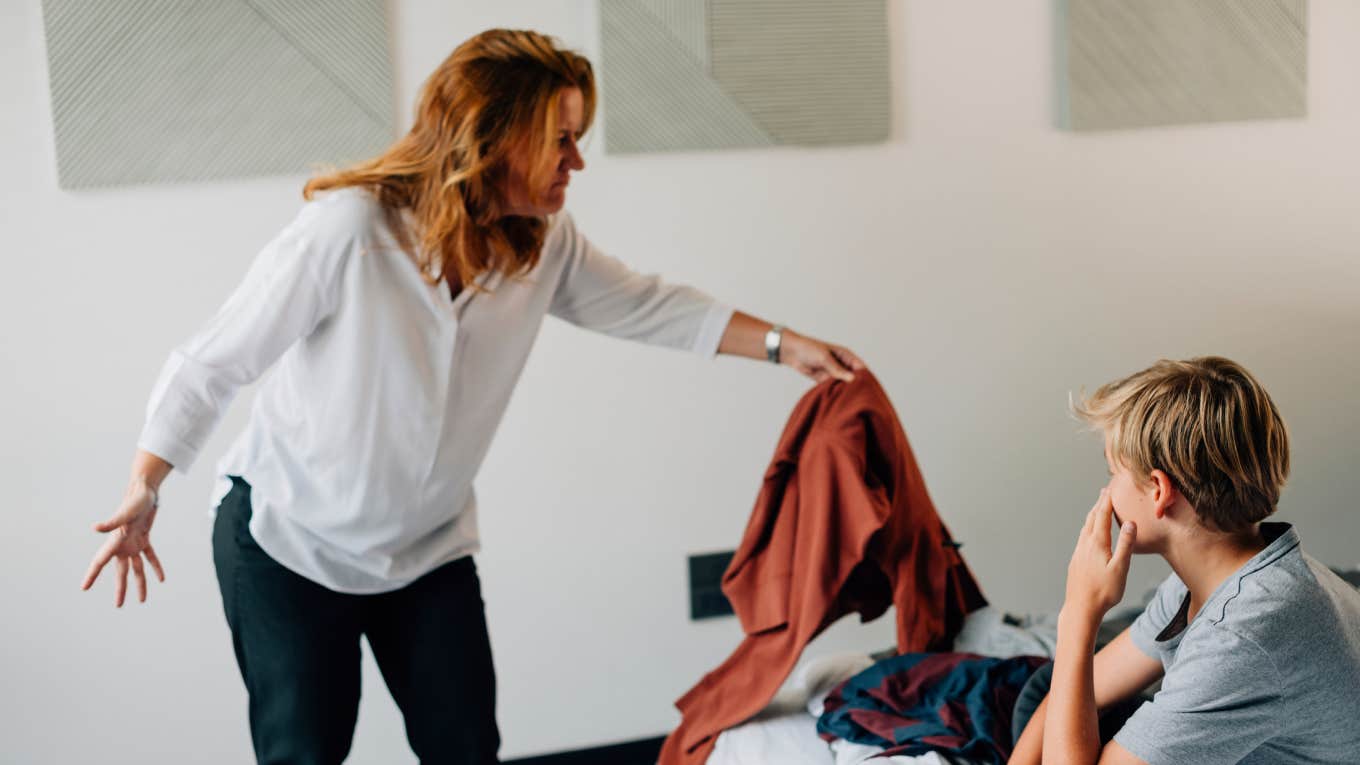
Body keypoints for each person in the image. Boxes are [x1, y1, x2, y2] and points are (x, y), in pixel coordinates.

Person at [79, 29, 864, 765]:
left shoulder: (541, 244)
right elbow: (213, 359)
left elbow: (646, 304)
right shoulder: (351, 232)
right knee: (306, 752)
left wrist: (783, 343)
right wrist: (146, 484)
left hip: (425, 550)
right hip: (291, 545)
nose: (575, 163)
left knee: (465, 749)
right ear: (494, 137)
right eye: (560, 139)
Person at [1009, 356, 1360, 764]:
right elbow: (1070, 692)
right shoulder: (1216, 573)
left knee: (1066, 697)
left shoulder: (1243, 632)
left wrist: (1078, 614)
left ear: (1159, 490)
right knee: (1046, 691)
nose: (1106, 491)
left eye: (1112, 473)